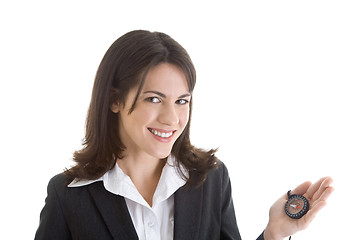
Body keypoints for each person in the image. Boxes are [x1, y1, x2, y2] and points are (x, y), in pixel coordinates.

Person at [35, 30, 334, 240]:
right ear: (114, 100)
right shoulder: (69, 195)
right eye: (154, 99)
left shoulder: (212, 180)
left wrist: (274, 234)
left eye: (181, 101)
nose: (171, 119)